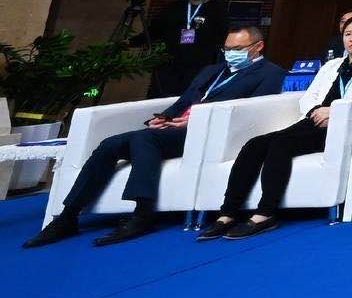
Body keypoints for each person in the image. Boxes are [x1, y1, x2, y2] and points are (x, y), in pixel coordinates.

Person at [25, 26, 285, 247]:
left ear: (258, 47)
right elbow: (184, 101)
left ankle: (142, 214)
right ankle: (68, 216)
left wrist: (196, 119)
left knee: (143, 139)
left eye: (237, 49)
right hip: (175, 127)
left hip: (209, 132)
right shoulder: (212, 71)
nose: (230, 54)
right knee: (110, 144)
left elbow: (253, 109)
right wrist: (164, 117)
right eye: (227, 49)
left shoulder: (270, 73)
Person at [199, 14, 352, 239]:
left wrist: (333, 111)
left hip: (340, 127)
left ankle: (265, 213)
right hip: (311, 121)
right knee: (254, 144)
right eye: (348, 34)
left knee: (281, 144)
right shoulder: (331, 65)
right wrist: (315, 111)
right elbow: (309, 96)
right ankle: (228, 213)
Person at [145, 0, 229, 98]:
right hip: (171, 64)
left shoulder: (218, 10)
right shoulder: (173, 8)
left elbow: (223, 35)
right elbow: (156, 29)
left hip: (202, 65)